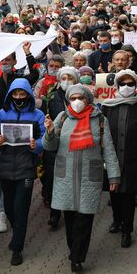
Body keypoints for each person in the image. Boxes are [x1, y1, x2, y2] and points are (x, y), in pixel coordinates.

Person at [43, 84, 120, 273]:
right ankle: (74, 249)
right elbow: (49, 146)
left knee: (84, 219)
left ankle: (77, 257)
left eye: (81, 98)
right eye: (73, 98)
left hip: (89, 176)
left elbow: (108, 149)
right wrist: (50, 131)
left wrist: (114, 176)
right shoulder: (62, 118)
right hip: (66, 176)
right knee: (70, 219)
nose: (77, 101)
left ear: (88, 100)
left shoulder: (99, 119)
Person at [0, 43, 39, 234]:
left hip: (20, 139)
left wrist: (28, 53)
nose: (4, 63)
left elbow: (34, 75)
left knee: (15, 174)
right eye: (2, 60)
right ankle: (4, 200)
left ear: (15, 62)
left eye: (8, 60)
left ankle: (3, 208)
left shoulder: (19, 79)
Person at [0, 78, 45, 266]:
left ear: (28, 95)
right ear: (10, 95)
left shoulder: (37, 114)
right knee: (10, 207)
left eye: (22, 94)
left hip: (26, 168)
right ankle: (17, 234)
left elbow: (44, 137)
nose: (19, 97)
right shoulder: (2, 113)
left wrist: (36, 145)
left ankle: (17, 248)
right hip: (6, 166)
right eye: (16, 94)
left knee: (21, 208)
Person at [101, 69, 137, 248]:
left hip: (134, 158)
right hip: (112, 157)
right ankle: (116, 221)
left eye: (130, 84)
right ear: (117, 86)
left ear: (136, 86)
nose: (126, 87)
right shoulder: (107, 106)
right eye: (123, 84)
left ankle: (127, 229)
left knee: (129, 195)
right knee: (114, 193)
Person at [39, 66, 80, 229]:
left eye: (70, 78)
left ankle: (70, 209)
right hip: (54, 144)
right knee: (52, 178)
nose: (66, 82)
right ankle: (54, 213)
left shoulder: (80, 98)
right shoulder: (51, 97)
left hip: (74, 144)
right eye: (64, 78)